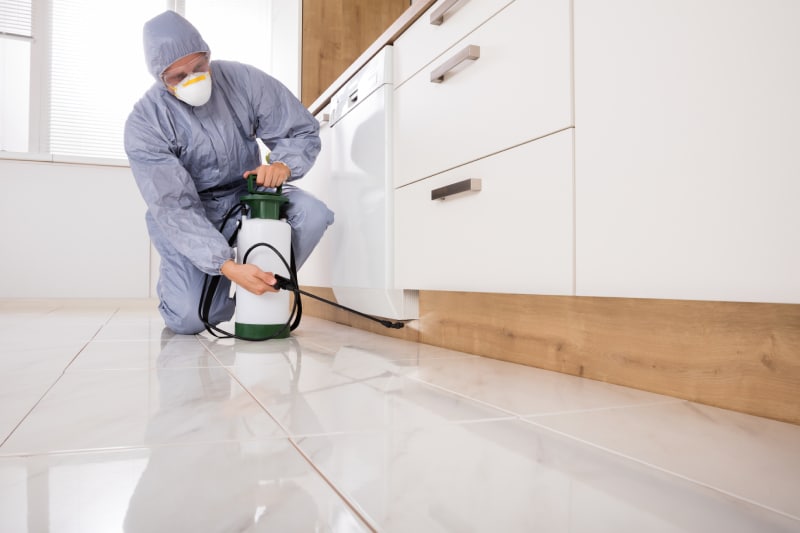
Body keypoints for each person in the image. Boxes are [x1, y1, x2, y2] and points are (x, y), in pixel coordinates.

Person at [125, 10, 334, 335]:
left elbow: (300, 131)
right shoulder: (145, 123)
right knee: (190, 319)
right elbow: (174, 206)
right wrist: (227, 266)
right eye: (179, 77)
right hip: (191, 214)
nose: (193, 79)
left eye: (199, 67)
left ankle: (262, 291)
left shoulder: (242, 80)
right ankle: (207, 287)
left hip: (246, 195)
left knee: (312, 213)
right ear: (160, 79)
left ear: (208, 55)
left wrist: (282, 165)